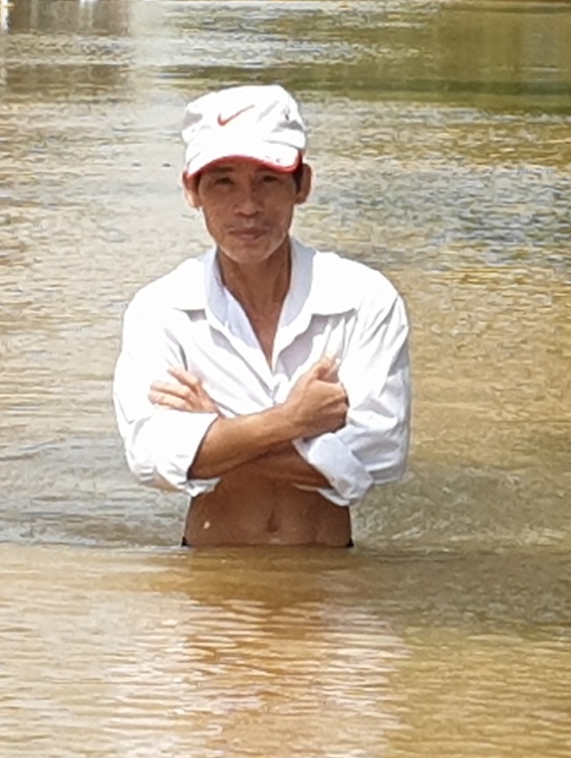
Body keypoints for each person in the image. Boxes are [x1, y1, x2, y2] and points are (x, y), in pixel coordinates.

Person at [112, 85, 411, 547]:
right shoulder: (162, 309)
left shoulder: (364, 299)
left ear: (302, 185)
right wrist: (292, 421)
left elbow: (378, 455)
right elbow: (151, 456)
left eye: (268, 180)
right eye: (223, 182)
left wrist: (217, 430)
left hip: (331, 581)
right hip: (207, 585)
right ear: (192, 191)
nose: (247, 206)